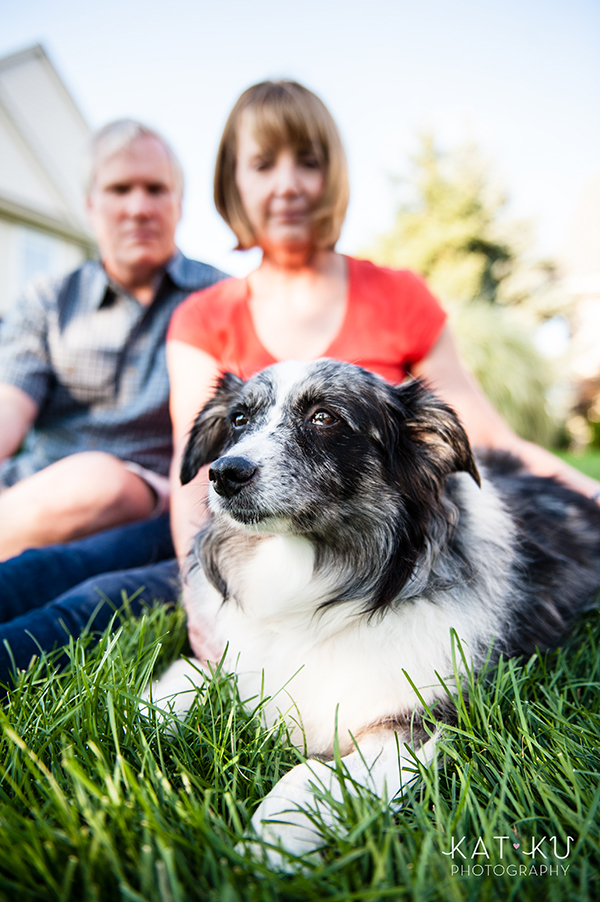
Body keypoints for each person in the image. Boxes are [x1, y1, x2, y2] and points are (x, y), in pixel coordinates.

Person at [165, 80, 600, 658]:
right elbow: (195, 471)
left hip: (371, 560)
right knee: (91, 586)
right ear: (233, 180)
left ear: (334, 176)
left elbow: (489, 435)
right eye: (264, 163)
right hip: (237, 544)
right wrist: (197, 599)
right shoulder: (204, 315)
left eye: (309, 162)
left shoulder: (399, 295)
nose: (288, 184)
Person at [0, 119, 225, 684]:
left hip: (147, 497)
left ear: (179, 202)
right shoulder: (50, 301)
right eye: (119, 190)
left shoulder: (220, 298)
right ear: (90, 205)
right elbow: (7, 410)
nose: (138, 207)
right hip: (32, 490)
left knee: (100, 480)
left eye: (155, 189)